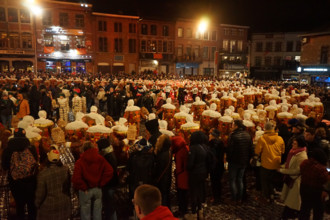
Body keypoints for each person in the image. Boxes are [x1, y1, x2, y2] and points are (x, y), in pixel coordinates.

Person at [1, 128, 38, 220]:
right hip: (31, 181)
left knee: (19, 205)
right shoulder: (31, 148)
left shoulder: (8, 150)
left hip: (15, 182)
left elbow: (5, 166)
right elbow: (36, 162)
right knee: (31, 205)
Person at [72, 141, 114, 220]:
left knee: (85, 213)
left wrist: (83, 187)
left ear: (83, 149)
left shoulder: (80, 162)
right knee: (97, 213)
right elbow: (109, 171)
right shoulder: (100, 158)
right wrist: (101, 183)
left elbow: (76, 178)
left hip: (86, 190)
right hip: (97, 188)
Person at [35, 145, 71, 220]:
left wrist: (37, 203)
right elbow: (68, 187)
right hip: (64, 204)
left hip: (49, 207)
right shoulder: (65, 170)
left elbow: (40, 193)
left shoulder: (43, 174)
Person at [277, 137, 308, 220]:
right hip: (290, 179)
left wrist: (282, 170)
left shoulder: (302, 156)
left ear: (299, 145)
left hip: (295, 181)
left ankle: (288, 216)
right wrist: (282, 167)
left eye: (294, 143)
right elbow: (289, 164)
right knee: (289, 201)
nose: (292, 144)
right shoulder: (294, 152)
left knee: (292, 202)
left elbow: (297, 171)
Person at [255, 122, 285, 202]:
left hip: (266, 163)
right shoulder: (280, 138)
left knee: (264, 181)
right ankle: (271, 193)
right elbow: (283, 151)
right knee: (272, 180)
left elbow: (257, 151)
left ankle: (266, 196)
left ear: (265, 129)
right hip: (276, 163)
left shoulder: (262, 138)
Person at [227, 120, 253, 203]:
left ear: (236, 126)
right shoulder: (247, 135)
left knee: (233, 179)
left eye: (233, 125)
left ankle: (234, 198)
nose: (231, 126)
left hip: (234, 161)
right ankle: (240, 198)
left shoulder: (233, 136)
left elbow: (230, 150)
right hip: (244, 161)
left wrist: (228, 159)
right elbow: (251, 148)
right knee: (240, 179)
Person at [299, 148, 329, 220]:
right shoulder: (321, 168)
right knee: (318, 210)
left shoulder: (304, 163)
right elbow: (325, 179)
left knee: (305, 208)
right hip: (316, 190)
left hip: (304, 187)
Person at [187, 131, 208, 219]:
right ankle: (200, 210)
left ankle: (194, 212)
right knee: (200, 191)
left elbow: (190, 163)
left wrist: (188, 167)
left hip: (195, 173)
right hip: (203, 172)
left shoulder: (193, 148)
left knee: (193, 192)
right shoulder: (205, 147)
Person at [97, 138, 119, 220]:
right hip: (111, 183)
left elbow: (109, 172)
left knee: (110, 206)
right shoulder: (110, 154)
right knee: (110, 205)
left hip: (109, 184)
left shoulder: (107, 156)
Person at [171, 136, 189, 218]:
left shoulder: (179, 152)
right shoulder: (185, 148)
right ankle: (184, 209)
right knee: (184, 194)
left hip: (181, 176)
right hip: (186, 175)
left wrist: (176, 173)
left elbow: (179, 166)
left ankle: (182, 210)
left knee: (181, 194)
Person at [154, 134, 172, 208]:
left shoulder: (162, 154)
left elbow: (159, 168)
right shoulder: (168, 152)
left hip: (162, 180)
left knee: (163, 197)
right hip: (166, 179)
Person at [208, 128, 225, 203]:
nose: (209, 135)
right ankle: (218, 196)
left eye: (210, 134)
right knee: (218, 182)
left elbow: (211, 155)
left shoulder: (211, 143)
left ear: (213, 135)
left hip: (214, 166)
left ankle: (215, 198)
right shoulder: (221, 143)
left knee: (214, 182)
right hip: (220, 165)